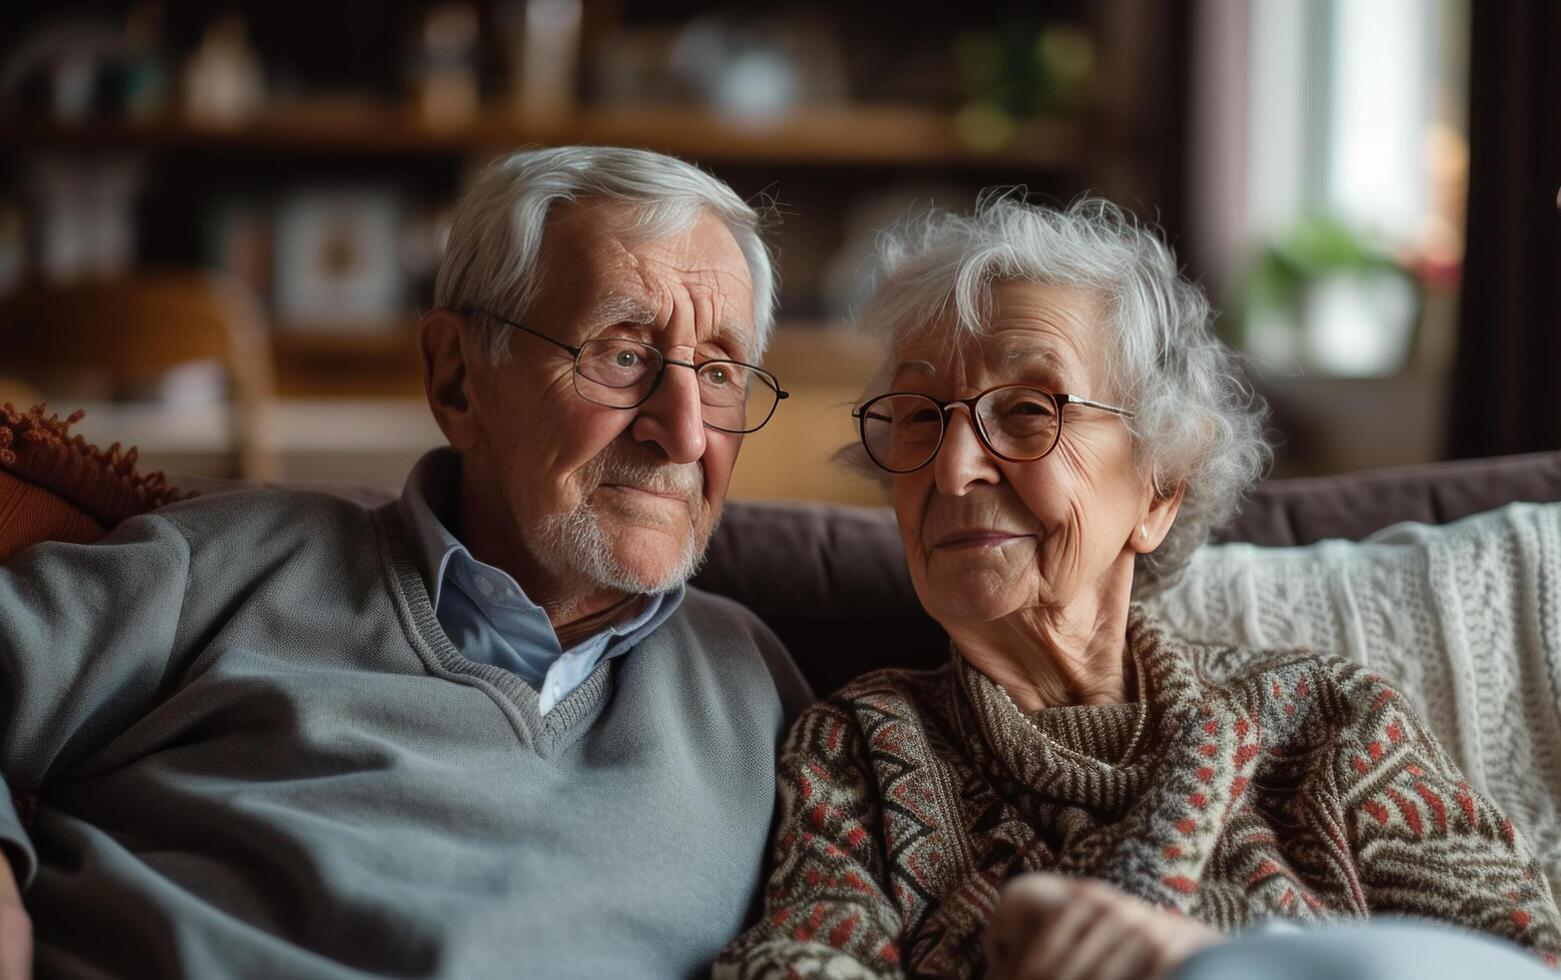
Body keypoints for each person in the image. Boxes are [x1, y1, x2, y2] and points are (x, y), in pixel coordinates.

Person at [0, 146, 811, 979]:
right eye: (623, 355)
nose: (682, 433)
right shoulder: (221, 565)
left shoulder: (758, 693)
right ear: (457, 377)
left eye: (718, 373)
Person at [716, 196, 1561, 979]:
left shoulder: (1324, 719)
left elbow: (1520, 955)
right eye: (918, 416)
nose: (954, 466)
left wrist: (1214, 960)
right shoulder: (858, 748)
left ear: (1159, 487)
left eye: (1025, 410)